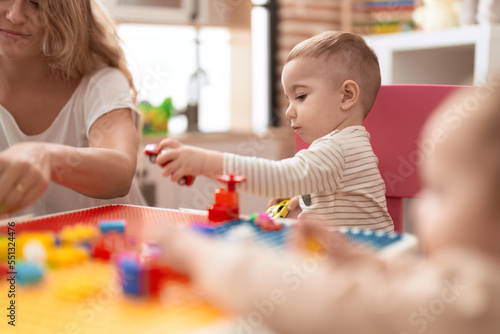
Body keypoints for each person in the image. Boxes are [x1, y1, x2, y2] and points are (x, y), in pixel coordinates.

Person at [154, 82, 500, 334]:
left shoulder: (480, 302)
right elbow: (421, 287)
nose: (289, 109)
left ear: (347, 95)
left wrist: (198, 252)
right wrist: (358, 259)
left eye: (439, 191)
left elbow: (311, 299)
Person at [152, 31, 393, 232]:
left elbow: (279, 177)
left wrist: (204, 162)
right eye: (289, 99)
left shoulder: (337, 150)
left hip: (359, 270)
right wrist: (304, 197)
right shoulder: (349, 145)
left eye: (300, 96)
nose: (289, 111)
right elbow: (337, 201)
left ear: (347, 95)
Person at [0, 0, 146, 216]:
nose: (15, 15)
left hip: (116, 242)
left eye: (36, 4)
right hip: (29, 246)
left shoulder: (100, 82)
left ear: (64, 17)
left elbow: (120, 171)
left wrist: (45, 156)